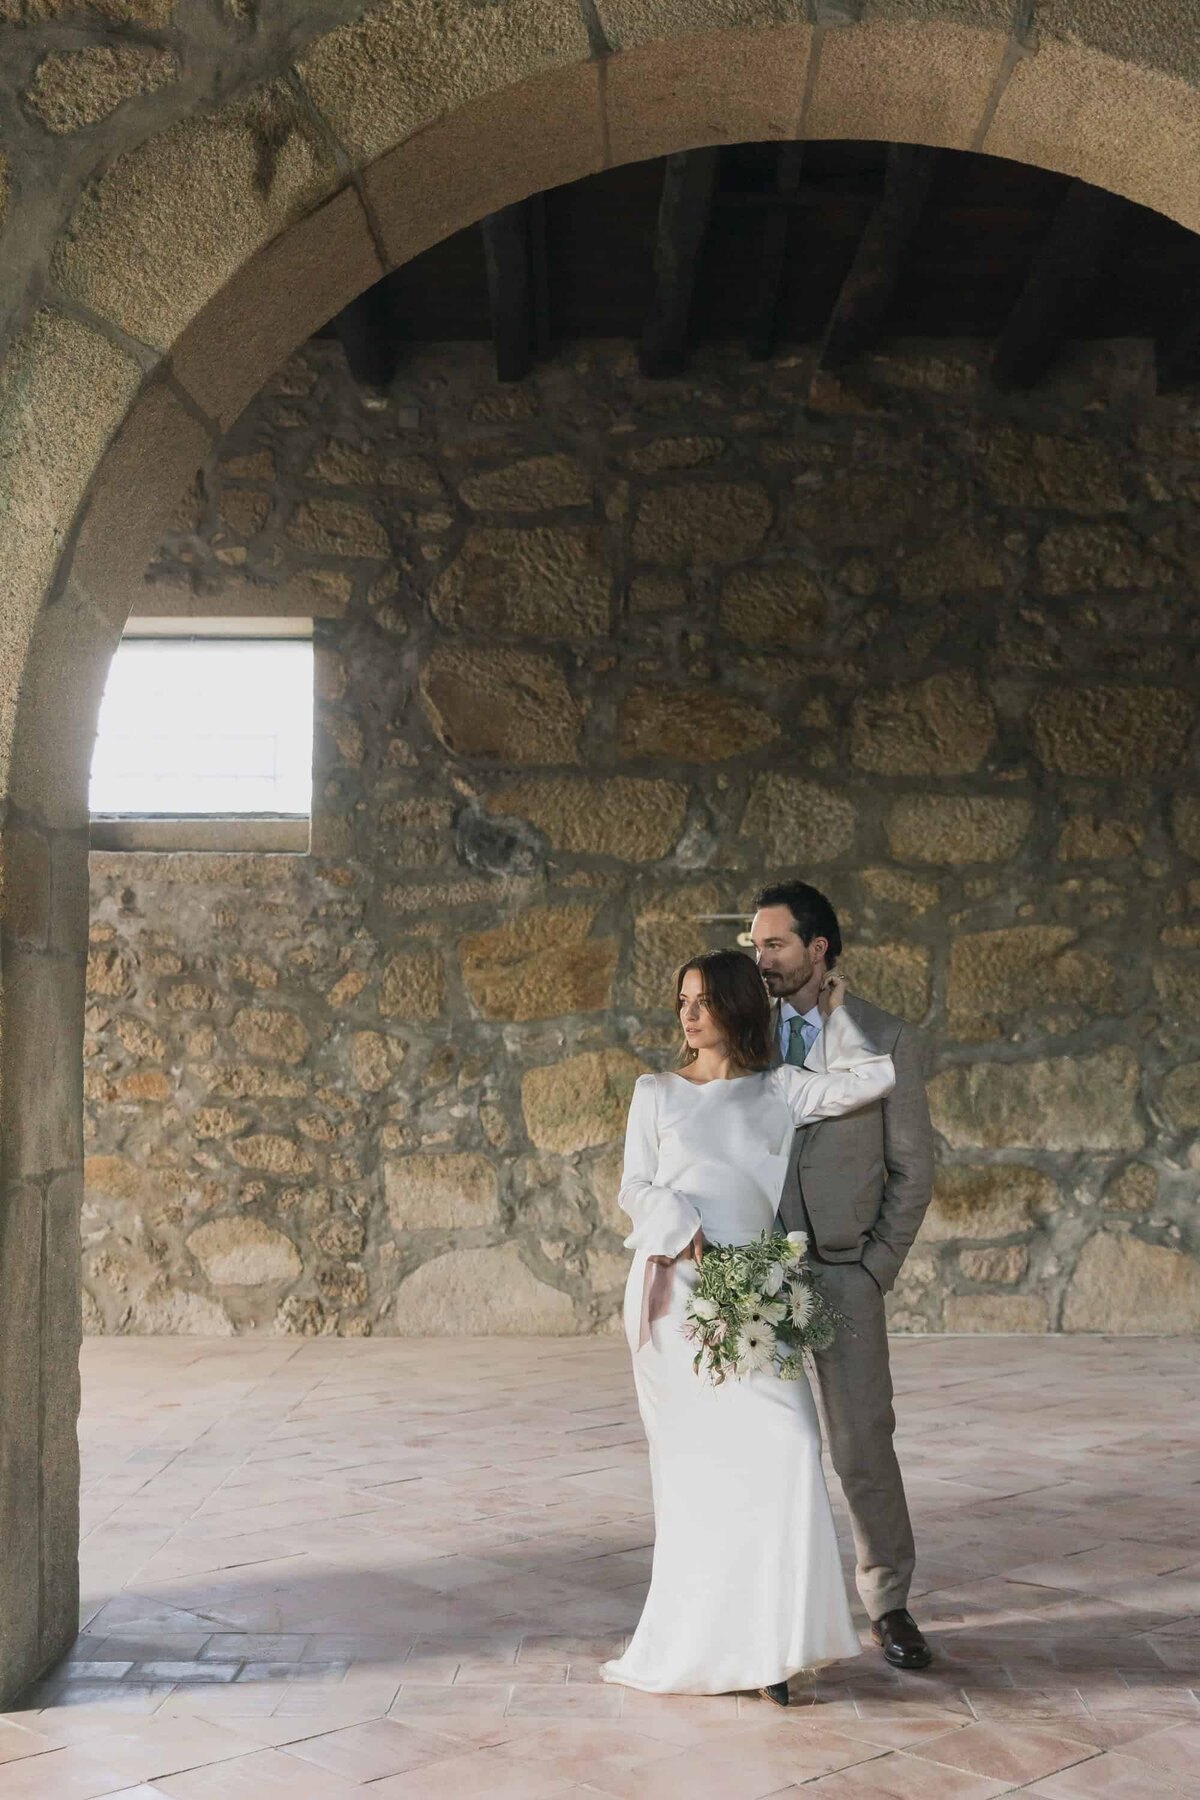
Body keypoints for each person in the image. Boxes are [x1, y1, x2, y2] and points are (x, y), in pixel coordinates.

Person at [601, 950, 895, 1701]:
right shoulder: (656, 1092)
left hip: (757, 1293)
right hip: (677, 1298)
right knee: (698, 1476)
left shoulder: (781, 1090)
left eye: (703, 1001)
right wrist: (679, 1218)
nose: (688, 1015)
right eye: (683, 1001)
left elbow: (876, 1077)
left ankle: (778, 1646)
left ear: (737, 1005)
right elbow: (634, 1186)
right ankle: (719, 1646)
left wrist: (835, 1013)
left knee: (792, 1446)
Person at [751, 880, 935, 1673]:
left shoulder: (884, 1036)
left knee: (862, 1442)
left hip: (842, 1274)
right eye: (754, 944)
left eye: (775, 945)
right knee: (765, 1444)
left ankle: (888, 1602)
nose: (759, 959)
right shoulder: (737, 1029)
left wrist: (875, 1267)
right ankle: (772, 1602)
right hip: (752, 1279)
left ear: (818, 948)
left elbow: (913, 1168)